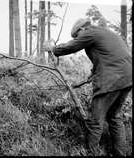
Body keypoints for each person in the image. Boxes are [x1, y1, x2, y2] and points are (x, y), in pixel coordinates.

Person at [44, 18, 132, 156]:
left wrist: (53, 49)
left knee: (96, 120)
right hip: (128, 78)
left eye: (77, 36)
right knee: (115, 117)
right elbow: (109, 57)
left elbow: (70, 47)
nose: (79, 38)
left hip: (111, 80)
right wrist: (92, 74)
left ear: (81, 29)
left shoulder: (89, 32)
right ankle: (121, 153)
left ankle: (91, 153)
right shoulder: (106, 32)